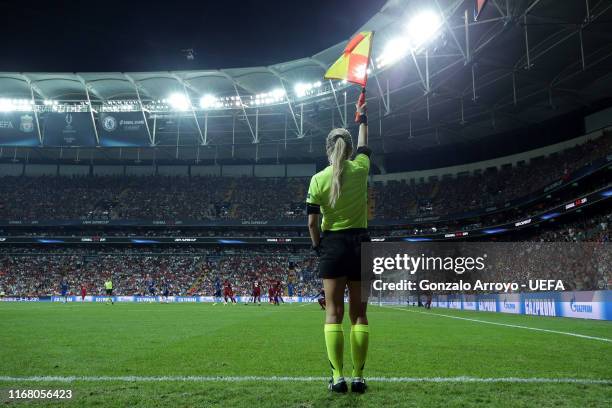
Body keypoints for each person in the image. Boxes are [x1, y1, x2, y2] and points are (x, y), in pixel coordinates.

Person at [306, 97, 370, 394]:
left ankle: (337, 378)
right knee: (360, 314)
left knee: (333, 312)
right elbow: (365, 146)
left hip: (332, 245)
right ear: (349, 148)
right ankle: (358, 377)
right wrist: (362, 119)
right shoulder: (361, 168)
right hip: (361, 245)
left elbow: (311, 223)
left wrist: (319, 247)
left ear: (328, 148)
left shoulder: (318, 179)